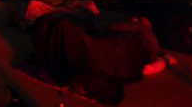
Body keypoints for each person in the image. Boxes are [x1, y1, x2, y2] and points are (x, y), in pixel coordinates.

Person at [32, 14, 176, 104]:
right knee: (58, 30)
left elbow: (112, 28)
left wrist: (133, 23)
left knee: (56, 27)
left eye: (139, 18)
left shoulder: (139, 28)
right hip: (111, 53)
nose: (135, 17)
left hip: (99, 51)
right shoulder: (152, 42)